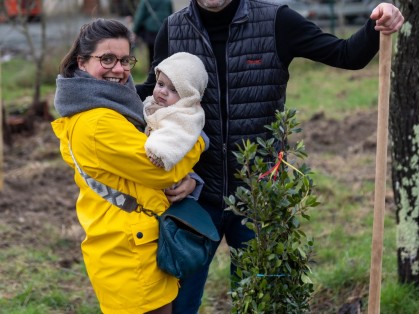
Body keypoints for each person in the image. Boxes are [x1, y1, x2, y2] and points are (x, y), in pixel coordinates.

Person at [135, 1, 405, 313]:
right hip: (193, 197)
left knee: (261, 305)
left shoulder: (276, 21)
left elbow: (347, 55)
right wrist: (98, 88)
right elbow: (153, 99)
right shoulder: (173, 29)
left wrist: (378, 21)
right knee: (176, 307)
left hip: (261, 200)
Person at [51, 18, 207, 314]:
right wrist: (198, 141)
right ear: (82, 62)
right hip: (127, 255)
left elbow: (145, 168)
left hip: (134, 243)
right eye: (107, 59)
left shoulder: (115, 105)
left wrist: (188, 179)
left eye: (125, 59)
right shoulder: (98, 121)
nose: (119, 69)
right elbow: (159, 168)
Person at [144, 52, 208, 171]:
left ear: (188, 97)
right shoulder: (152, 102)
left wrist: (160, 152)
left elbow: (176, 134)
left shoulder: (184, 115)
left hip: (162, 165)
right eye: (160, 84)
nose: (163, 91)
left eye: (174, 90)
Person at [132, 0, 173, 69]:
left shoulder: (146, 1)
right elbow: (171, 14)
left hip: (151, 31)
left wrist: (135, 31)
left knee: (152, 55)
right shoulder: (168, 1)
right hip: (165, 29)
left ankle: (153, 73)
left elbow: (140, 16)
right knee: (164, 54)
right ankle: (164, 72)